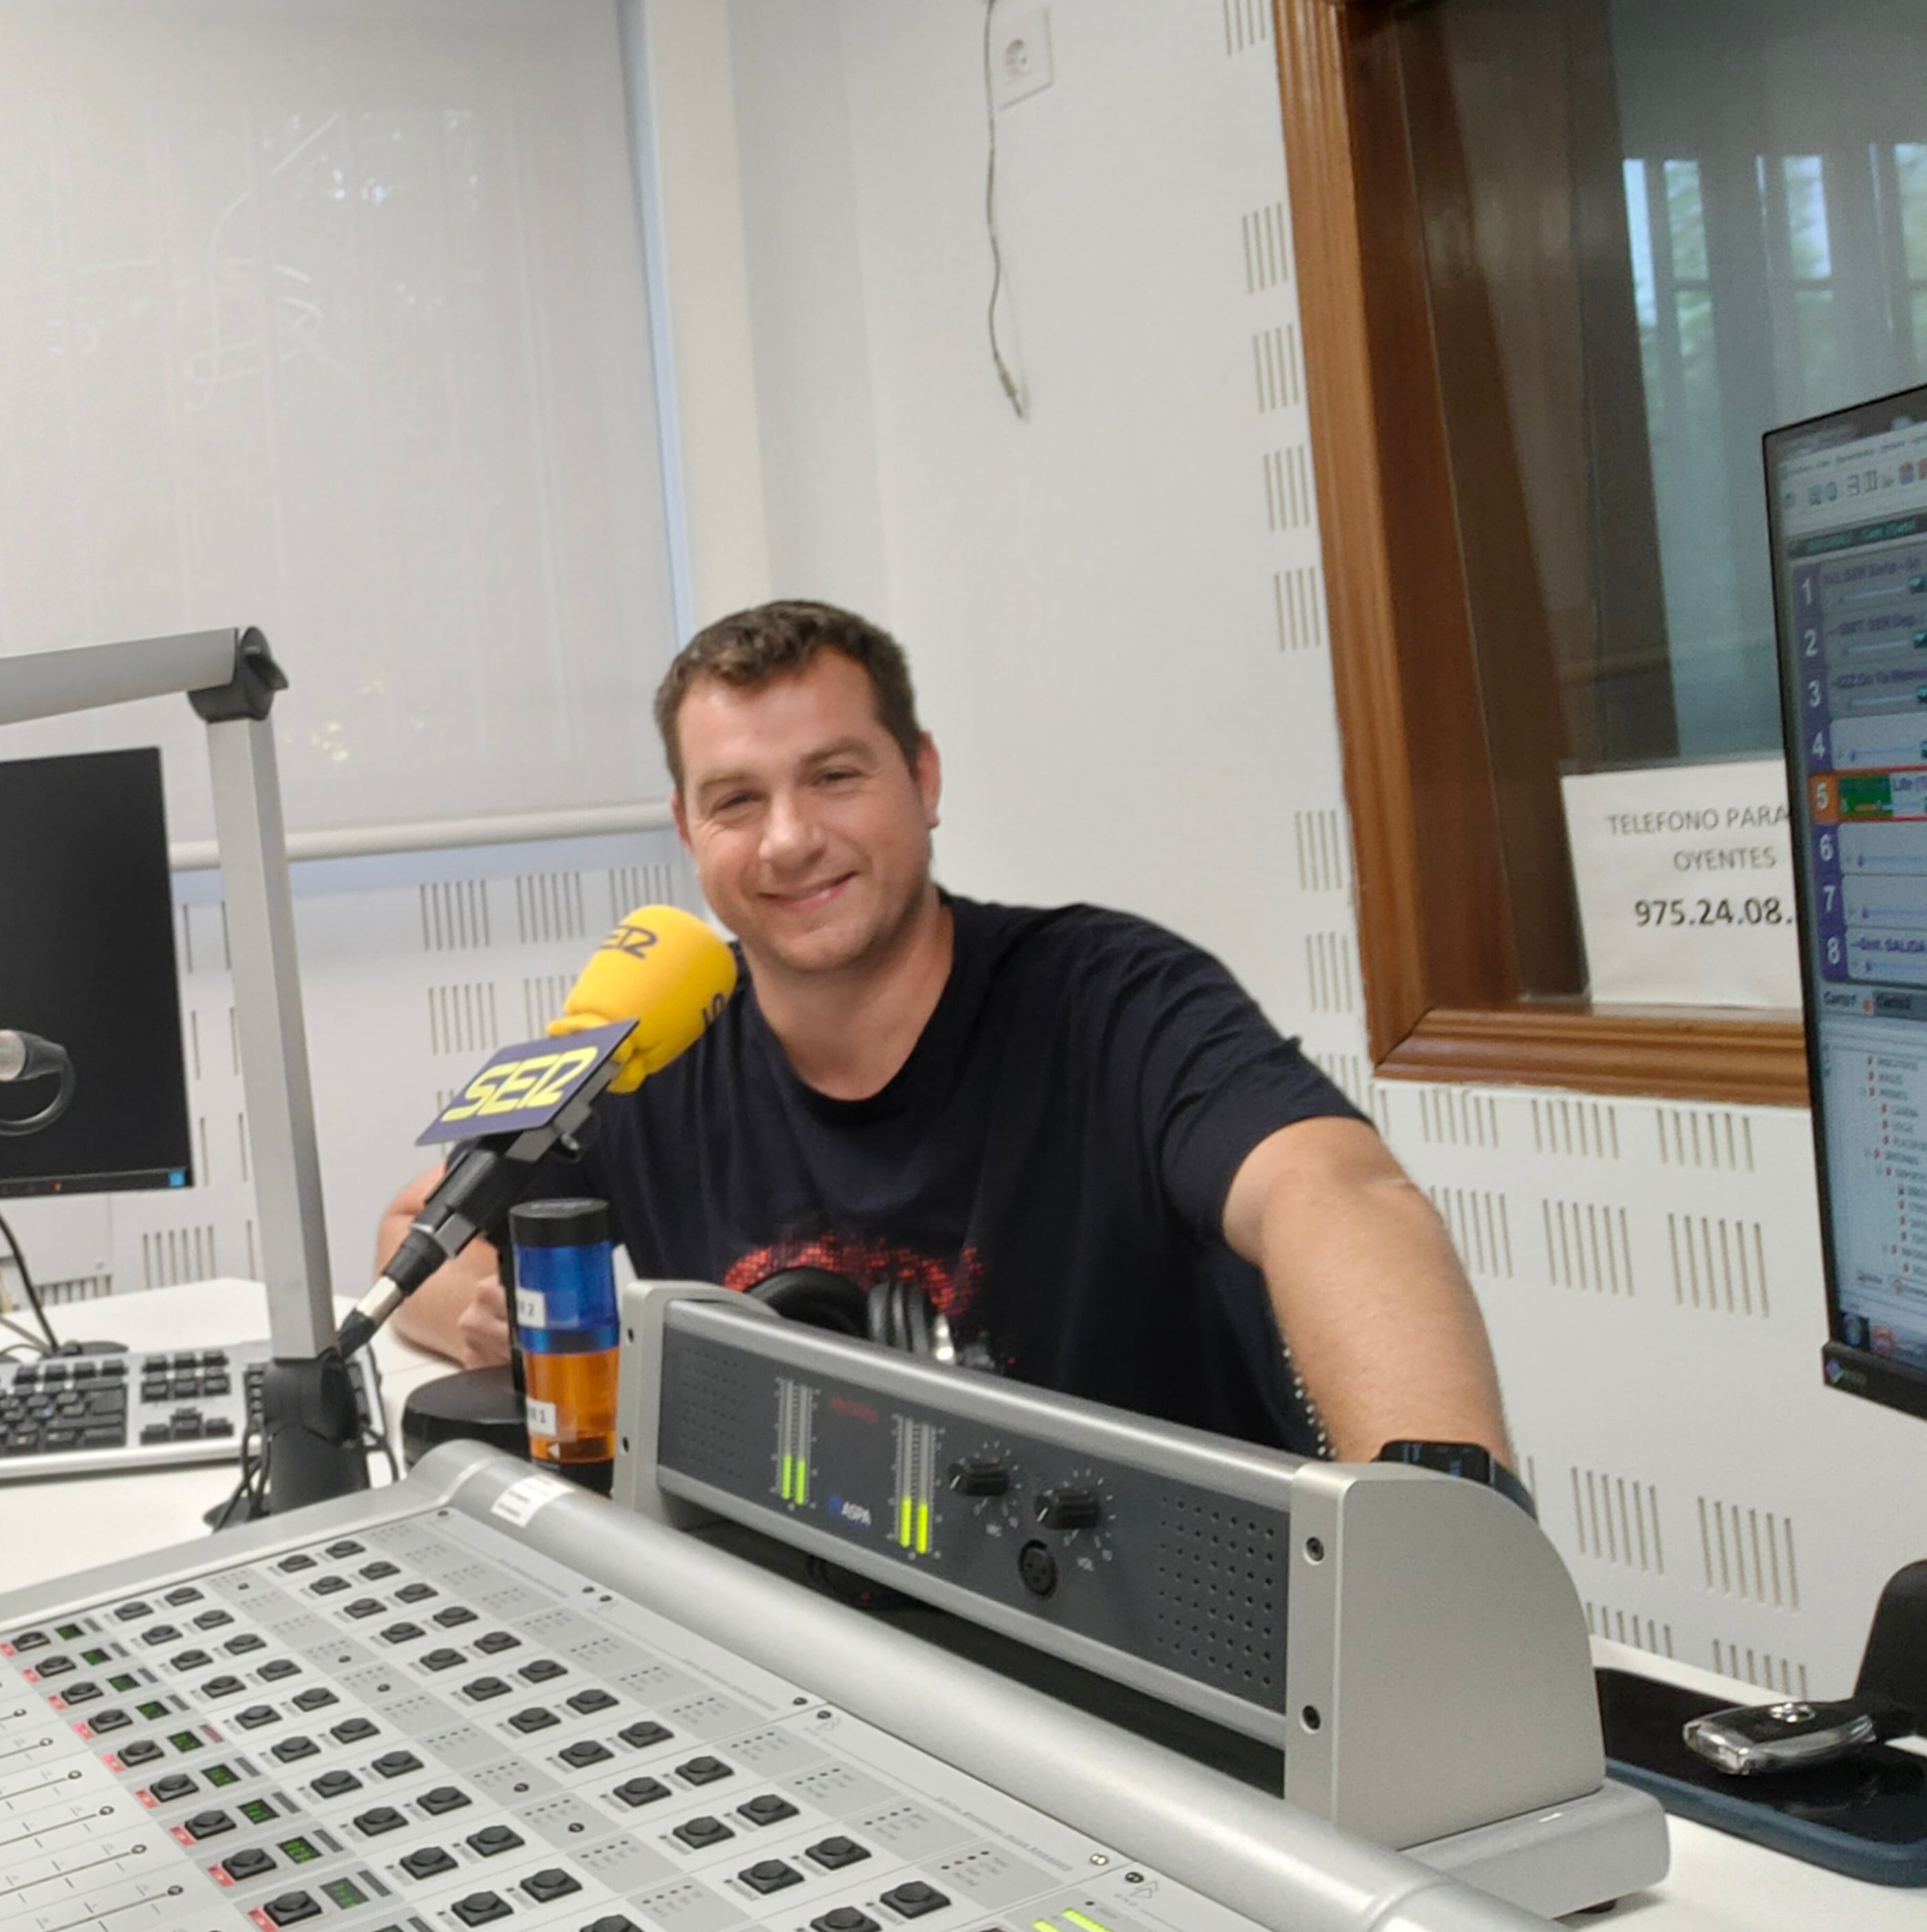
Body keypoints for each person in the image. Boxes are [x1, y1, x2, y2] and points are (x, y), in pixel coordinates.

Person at [377, 599, 1512, 1470]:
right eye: (736, 801)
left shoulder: (1108, 998)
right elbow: (416, 1231)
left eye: (834, 777)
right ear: (687, 830)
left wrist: (1444, 1539)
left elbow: (1337, 1192)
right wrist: (489, 1317)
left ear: (921, 779)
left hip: (1161, 1659)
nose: (788, 841)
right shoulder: (656, 1038)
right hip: (825, 1643)